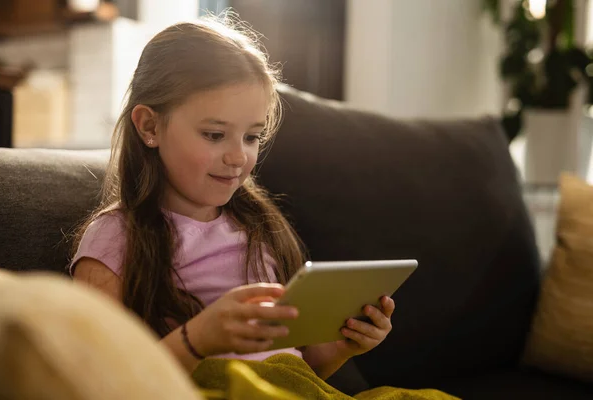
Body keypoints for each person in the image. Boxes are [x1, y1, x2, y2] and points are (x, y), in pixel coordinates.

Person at [70, 13, 395, 382]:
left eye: (251, 137)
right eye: (214, 134)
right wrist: (197, 340)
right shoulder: (117, 237)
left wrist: (345, 345)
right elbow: (96, 379)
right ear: (149, 126)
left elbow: (300, 367)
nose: (238, 157)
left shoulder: (260, 228)